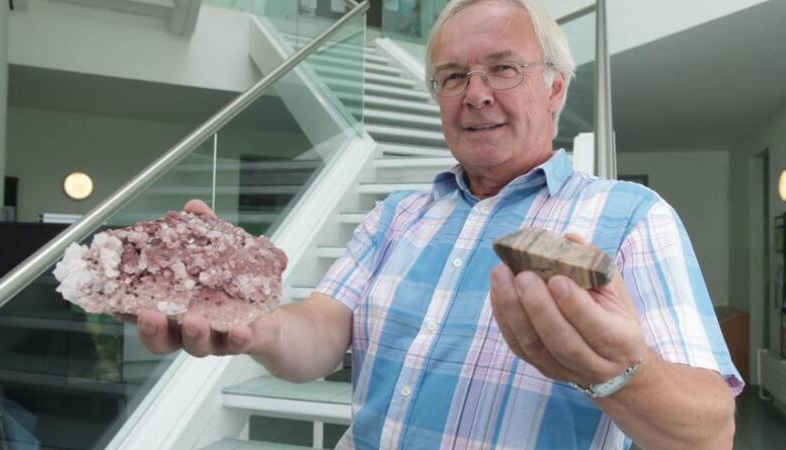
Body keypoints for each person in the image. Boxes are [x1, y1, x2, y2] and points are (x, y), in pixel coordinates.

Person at [136, 0, 742, 448]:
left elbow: (710, 430)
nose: (474, 94)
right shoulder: (396, 214)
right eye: (453, 76)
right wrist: (257, 324)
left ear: (555, 88)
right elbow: (321, 331)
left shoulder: (632, 218)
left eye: (503, 69)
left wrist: (615, 374)